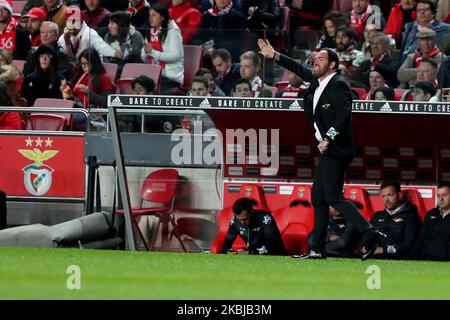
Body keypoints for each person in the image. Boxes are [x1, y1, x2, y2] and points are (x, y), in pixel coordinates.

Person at [258, 38, 387, 260]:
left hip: (337, 148)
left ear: (332, 65)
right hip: (327, 149)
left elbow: (343, 115)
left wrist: (329, 138)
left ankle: (372, 233)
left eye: (321, 59)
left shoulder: (338, 84)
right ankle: (318, 249)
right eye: (315, 59)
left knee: (334, 197)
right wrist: (275, 56)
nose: (315, 62)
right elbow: (298, 68)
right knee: (318, 197)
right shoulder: (318, 82)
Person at [363, 180, 420, 259]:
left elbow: (409, 243)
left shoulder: (410, 216)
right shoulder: (377, 216)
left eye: (390, 195)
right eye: (384, 196)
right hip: (371, 256)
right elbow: (364, 238)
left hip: (395, 258)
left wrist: (385, 250)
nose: (386, 199)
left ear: (399, 195)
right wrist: (362, 248)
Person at [141, 3, 184, 93]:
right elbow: (144, 57)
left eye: (154, 15)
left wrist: (152, 52)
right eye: (149, 15)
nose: (150, 18)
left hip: (170, 77)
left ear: (163, 17)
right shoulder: (151, 30)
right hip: (153, 75)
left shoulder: (173, 31)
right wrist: (145, 51)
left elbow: (176, 56)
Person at [221, 197, 287, 255]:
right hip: (254, 257)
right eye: (239, 219)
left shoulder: (265, 218)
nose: (242, 222)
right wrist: (228, 251)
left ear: (252, 212)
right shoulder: (234, 220)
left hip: (276, 256)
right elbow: (226, 245)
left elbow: (271, 247)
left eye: (245, 219)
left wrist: (251, 252)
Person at [409, 183, 450, 261]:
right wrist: (411, 255)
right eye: (438, 195)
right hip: (426, 258)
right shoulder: (431, 214)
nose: (441, 199)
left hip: (446, 260)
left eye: (444, 195)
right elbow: (421, 238)